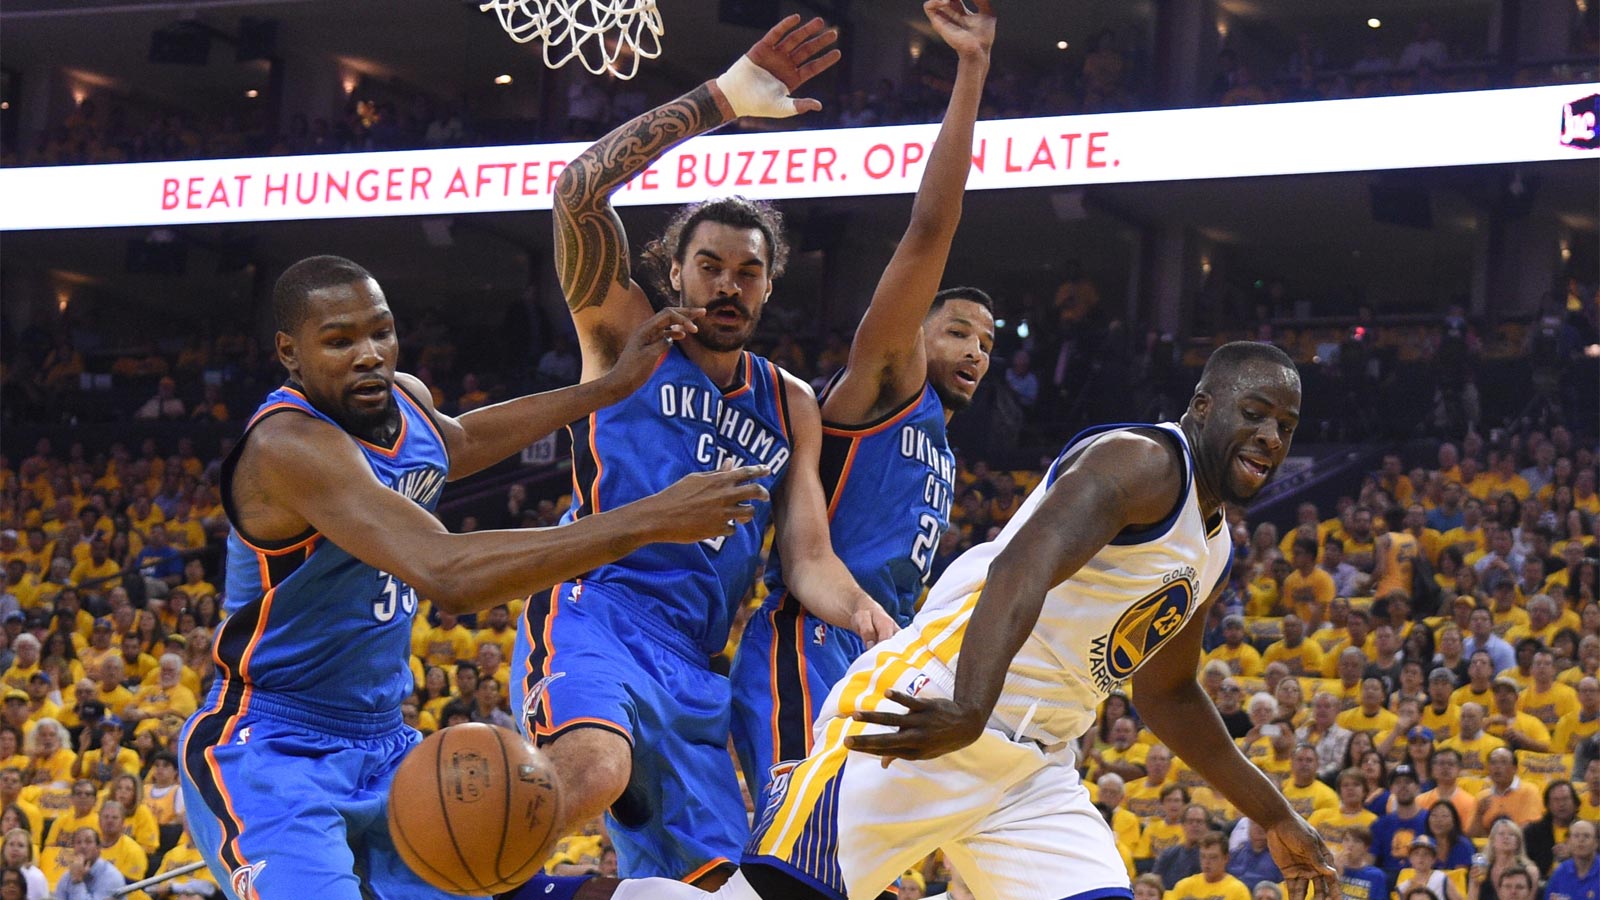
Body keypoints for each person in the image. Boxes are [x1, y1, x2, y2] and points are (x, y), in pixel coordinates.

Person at [603, 342, 1336, 900]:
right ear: (1204, 407)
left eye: (1287, 424)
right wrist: (970, 705)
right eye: (1256, 414)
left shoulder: (1213, 543)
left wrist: (1273, 815)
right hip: (929, 706)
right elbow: (1021, 565)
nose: (1273, 435)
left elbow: (1167, 693)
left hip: (1031, 766)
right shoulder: (1143, 463)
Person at [176, 255, 773, 898]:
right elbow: (447, 574)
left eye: (381, 332)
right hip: (270, 746)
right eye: (340, 341)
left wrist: (605, 390)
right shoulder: (288, 446)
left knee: (501, 874)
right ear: (291, 353)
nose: (369, 354)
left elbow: (456, 443)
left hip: (384, 743)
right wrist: (648, 519)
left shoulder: (404, 399)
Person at [510, 13, 894, 893]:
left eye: (748, 270)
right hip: (596, 610)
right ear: (674, 271)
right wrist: (718, 100)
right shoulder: (625, 339)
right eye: (709, 265)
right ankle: (437, 874)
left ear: (770, 282)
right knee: (595, 774)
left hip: (695, 663)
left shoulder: (790, 402)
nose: (728, 283)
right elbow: (575, 193)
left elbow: (806, 558)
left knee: (725, 888)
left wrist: (870, 620)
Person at [728, 0, 994, 804]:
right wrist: (973, 71)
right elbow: (929, 228)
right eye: (958, 330)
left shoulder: (942, 450)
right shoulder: (885, 382)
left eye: (988, 342)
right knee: (794, 851)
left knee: (844, 861)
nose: (976, 350)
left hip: (873, 656)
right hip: (807, 640)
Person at [1171, 833, 1252, 900]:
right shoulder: (1184, 886)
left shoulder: (1238, 890)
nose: (1207, 862)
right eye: (1203, 856)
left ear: (1226, 858)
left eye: (1213, 857)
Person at [54, 827, 125, 900]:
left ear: (98, 848)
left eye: (88, 842)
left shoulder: (111, 876)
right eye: (78, 842)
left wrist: (77, 881)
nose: (83, 846)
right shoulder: (68, 876)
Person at [1544, 819, 1597, 900]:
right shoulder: (1560, 872)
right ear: (1568, 842)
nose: (1581, 840)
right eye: (1576, 836)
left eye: (1586, 836)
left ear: (1596, 843)